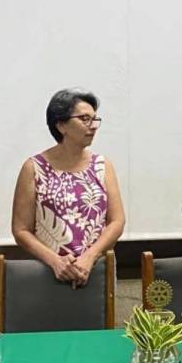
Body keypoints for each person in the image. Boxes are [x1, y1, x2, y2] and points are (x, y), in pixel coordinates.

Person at [11, 88, 125, 287]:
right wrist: (55, 261)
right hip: (48, 271)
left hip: (96, 269)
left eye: (95, 119)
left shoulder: (102, 165)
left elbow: (117, 221)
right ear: (61, 125)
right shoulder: (34, 168)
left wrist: (89, 257)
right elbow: (21, 230)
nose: (93, 126)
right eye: (85, 119)